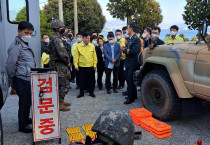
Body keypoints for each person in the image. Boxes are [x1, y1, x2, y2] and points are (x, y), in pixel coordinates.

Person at [6, 21, 35, 133]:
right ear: (19, 31)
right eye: (26, 33)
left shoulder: (24, 44)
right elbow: (10, 64)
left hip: (27, 77)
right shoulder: (16, 46)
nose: (28, 35)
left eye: (30, 33)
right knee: (24, 101)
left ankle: (26, 118)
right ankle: (22, 125)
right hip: (21, 78)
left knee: (28, 101)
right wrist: (11, 80)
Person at [48, 19, 71, 111]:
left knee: (60, 84)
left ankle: (60, 101)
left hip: (56, 64)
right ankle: (60, 103)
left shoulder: (53, 38)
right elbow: (62, 54)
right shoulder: (57, 40)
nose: (63, 29)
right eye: (61, 27)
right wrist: (68, 62)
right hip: (60, 65)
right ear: (57, 29)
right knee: (64, 84)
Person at [74, 32, 97, 98]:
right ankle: (81, 93)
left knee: (91, 80)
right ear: (83, 38)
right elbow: (76, 57)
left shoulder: (92, 46)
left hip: (90, 66)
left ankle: (91, 92)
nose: (88, 39)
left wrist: (95, 65)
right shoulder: (78, 46)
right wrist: (76, 65)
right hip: (82, 66)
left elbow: (94, 56)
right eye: (86, 38)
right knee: (82, 80)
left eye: (89, 38)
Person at [124, 23, 141, 104]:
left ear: (131, 28)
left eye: (128, 28)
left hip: (133, 63)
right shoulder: (130, 39)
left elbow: (134, 51)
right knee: (128, 79)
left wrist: (124, 50)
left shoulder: (136, 39)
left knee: (130, 79)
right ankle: (133, 95)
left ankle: (131, 98)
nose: (127, 30)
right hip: (128, 62)